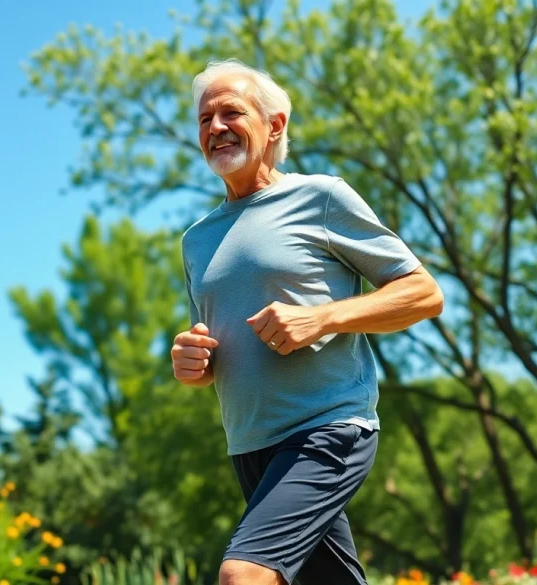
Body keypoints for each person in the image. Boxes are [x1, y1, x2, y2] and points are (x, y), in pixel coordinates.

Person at [172, 58, 444, 585]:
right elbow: (212, 350)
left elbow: (423, 294)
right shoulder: (196, 239)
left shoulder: (320, 198)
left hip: (327, 429)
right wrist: (192, 361)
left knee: (243, 575)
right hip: (249, 445)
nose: (215, 128)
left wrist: (321, 319)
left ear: (274, 126)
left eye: (232, 112)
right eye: (205, 119)